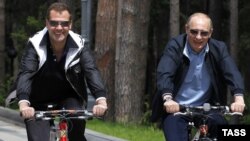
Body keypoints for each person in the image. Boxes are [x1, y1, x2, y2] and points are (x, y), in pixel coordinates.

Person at [16, 2, 107, 141]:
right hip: (39, 101)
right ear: (47, 23)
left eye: (64, 24)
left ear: (70, 25)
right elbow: (26, 74)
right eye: (54, 23)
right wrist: (24, 104)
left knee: (76, 129)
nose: (59, 28)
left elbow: (91, 71)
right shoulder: (35, 44)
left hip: (68, 97)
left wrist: (101, 100)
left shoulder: (79, 44)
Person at [151, 12, 245, 141]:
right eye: (194, 32)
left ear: (210, 33)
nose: (198, 37)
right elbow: (165, 73)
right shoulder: (175, 46)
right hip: (177, 109)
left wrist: (239, 97)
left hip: (207, 108)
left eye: (204, 33)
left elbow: (232, 72)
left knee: (231, 134)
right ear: (186, 29)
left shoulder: (219, 48)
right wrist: (168, 99)